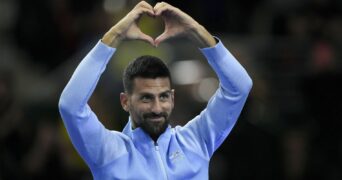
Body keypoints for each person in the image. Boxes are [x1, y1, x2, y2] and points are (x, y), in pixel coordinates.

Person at [58, 1, 252, 179]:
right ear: (125, 101)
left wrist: (196, 31)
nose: (157, 108)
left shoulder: (195, 140)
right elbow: (71, 105)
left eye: (164, 97)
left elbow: (240, 87)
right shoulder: (109, 152)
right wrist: (115, 35)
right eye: (146, 98)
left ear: (172, 98)